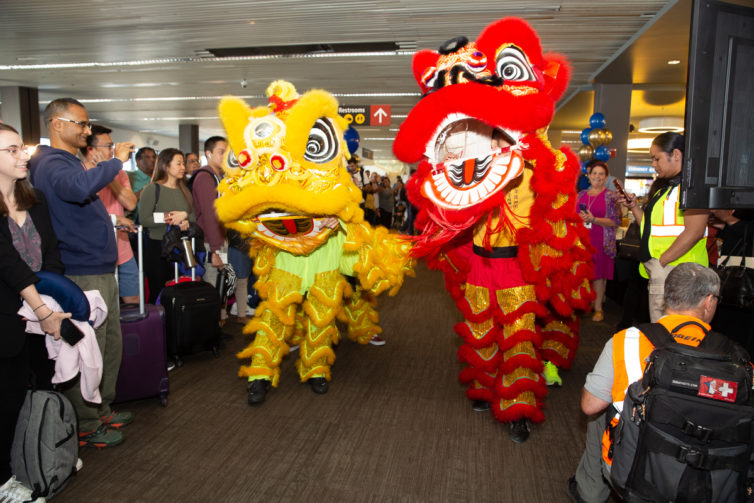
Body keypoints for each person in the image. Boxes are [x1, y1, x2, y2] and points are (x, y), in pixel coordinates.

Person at [568, 263, 737, 503]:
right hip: (713, 480)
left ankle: (590, 492)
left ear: (666, 298)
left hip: (638, 472)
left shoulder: (627, 340)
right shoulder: (737, 357)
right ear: (708, 301)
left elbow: (589, 405)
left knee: (600, 408)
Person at [29, 98, 133, 449]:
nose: (87, 131)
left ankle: (100, 407)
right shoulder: (50, 162)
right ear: (57, 124)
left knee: (108, 345)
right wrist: (116, 160)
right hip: (81, 270)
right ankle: (86, 421)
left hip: (99, 267)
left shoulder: (67, 161)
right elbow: (77, 189)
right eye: (82, 124)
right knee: (86, 348)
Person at [0, 123, 71, 503]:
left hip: (42, 309)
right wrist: (39, 307)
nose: (22, 155)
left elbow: (52, 252)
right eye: (11, 150)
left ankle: (44, 454)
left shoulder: (35, 198)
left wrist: (51, 296)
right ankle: (4, 479)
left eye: (20, 149)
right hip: (11, 316)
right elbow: (8, 263)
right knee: (7, 397)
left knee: (45, 383)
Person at [617, 132, 709, 322]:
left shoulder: (692, 188)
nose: (653, 164)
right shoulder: (667, 189)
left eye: (656, 158)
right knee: (662, 332)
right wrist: (634, 207)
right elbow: (650, 228)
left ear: (676, 154)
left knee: (676, 334)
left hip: (682, 273)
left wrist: (662, 262)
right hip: (665, 271)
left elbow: (695, 231)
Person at [81, 125, 139, 304]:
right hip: (95, 249)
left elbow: (130, 202)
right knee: (104, 303)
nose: (113, 150)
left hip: (122, 246)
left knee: (134, 298)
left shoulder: (118, 173)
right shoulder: (79, 174)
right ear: (91, 149)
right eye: (108, 146)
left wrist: (108, 172)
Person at [138, 149, 195, 304]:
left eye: (183, 163)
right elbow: (144, 219)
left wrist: (184, 217)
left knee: (178, 290)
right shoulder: (151, 189)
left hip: (180, 247)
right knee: (158, 291)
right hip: (158, 248)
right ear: (166, 165)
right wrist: (169, 218)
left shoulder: (184, 190)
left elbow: (193, 215)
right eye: (178, 163)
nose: (183, 167)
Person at [577, 160, 620, 322]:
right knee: (582, 274)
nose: (597, 176)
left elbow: (615, 221)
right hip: (582, 240)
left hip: (601, 240)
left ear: (606, 177)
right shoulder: (580, 195)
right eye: (594, 173)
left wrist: (593, 219)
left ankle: (598, 308)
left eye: (601, 174)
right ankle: (585, 304)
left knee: (599, 276)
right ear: (588, 176)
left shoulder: (611, 196)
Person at [192, 136, 228, 293]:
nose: (225, 156)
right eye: (221, 152)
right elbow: (210, 215)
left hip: (219, 238)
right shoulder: (205, 178)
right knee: (213, 284)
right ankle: (215, 318)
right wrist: (214, 250)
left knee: (222, 284)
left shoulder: (219, 177)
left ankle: (221, 316)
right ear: (208, 153)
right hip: (210, 241)